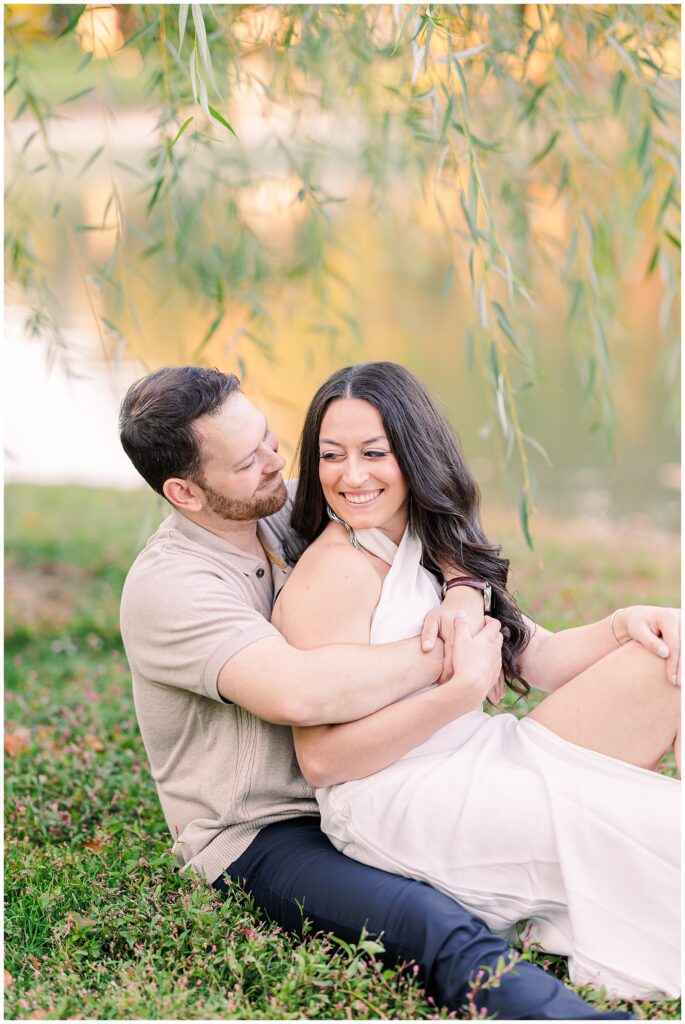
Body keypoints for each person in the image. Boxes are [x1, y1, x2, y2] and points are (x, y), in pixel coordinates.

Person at [118, 365, 635, 1020]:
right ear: (185, 493)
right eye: (250, 461)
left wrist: (460, 589)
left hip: (388, 773)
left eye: (271, 440)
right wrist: (454, 662)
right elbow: (300, 692)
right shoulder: (172, 588)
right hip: (264, 832)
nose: (279, 463)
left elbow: (418, 500)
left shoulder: (282, 505)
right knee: (430, 923)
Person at [272, 361, 681, 1002]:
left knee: (671, 653)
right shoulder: (331, 576)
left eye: (374, 453)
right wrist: (457, 695)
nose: (351, 476)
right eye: (331, 456)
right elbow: (322, 761)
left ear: (414, 453)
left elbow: (535, 657)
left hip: (487, 755)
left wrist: (625, 622)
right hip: (398, 800)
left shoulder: (432, 539)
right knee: (664, 834)